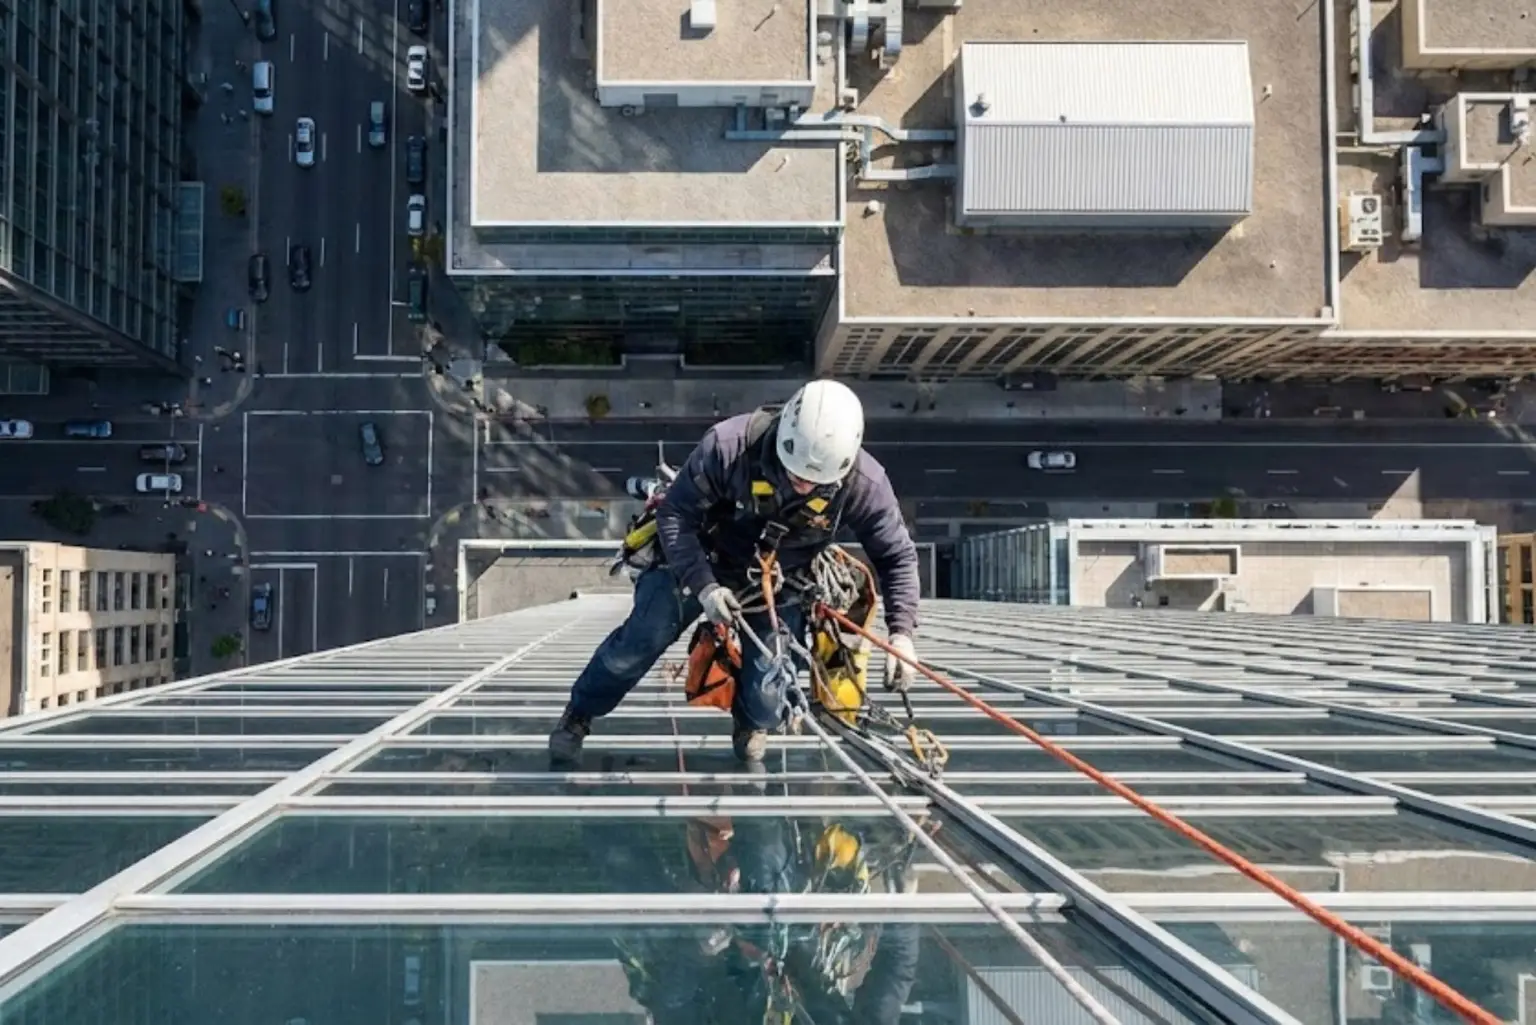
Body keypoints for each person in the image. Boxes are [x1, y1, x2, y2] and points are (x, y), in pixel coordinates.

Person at [549, 380, 922, 764]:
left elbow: (897, 557)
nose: (803, 484)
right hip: (701, 560)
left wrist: (902, 634)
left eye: (815, 482)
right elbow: (675, 515)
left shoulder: (864, 486)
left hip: (778, 581)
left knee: (768, 697)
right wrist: (705, 587)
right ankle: (580, 713)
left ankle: (752, 721)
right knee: (639, 641)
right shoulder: (728, 447)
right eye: (795, 475)